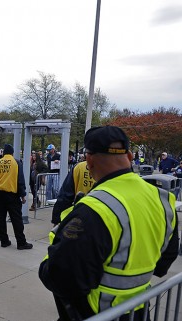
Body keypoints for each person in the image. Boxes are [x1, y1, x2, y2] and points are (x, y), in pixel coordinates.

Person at [39, 126, 179, 321]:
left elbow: (62, 278)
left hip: (97, 312)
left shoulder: (94, 209)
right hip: (138, 310)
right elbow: (166, 260)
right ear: (130, 156)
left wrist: (46, 265)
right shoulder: (163, 199)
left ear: (89, 160)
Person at [0, 144, 33, 250]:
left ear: (3, 153)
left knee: (1, 219)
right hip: (12, 195)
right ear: (12, 153)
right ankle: (21, 242)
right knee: (16, 219)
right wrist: (22, 195)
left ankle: (4, 241)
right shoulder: (16, 163)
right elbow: (20, 180)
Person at [51, 160, 96, 225]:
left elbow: (65, 196)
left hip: (80, 215)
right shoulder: (113, 169)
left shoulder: (80, 167)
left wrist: (57, 219)